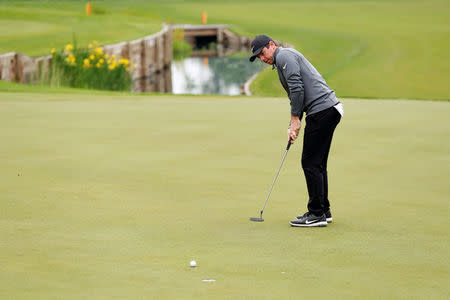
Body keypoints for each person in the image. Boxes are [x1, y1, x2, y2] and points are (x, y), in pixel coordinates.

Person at [249, 35, 344, 227]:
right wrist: (294, 122)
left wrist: (295, 120)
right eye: (258, 56)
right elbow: (297, 94)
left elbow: (297, 88)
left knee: (310, 162)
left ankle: (316, 213)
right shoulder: (282, 59)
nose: (262, 58)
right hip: (327, 110)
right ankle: (323, 210)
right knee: (317, 163)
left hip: (322, 110)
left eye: (262, 53)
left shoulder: (284, 57)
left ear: (271, 45)